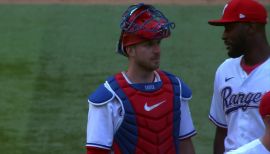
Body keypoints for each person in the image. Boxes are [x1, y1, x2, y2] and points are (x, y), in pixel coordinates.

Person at [85, 3, 196, 154]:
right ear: (130, 50)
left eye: (158, 43)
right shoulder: (109, 98)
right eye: (149, 45)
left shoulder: (176, 88)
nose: (157, 50)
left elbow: (185, 145)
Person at [207, 0, 270, 153]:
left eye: (229, 28)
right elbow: (222, 130)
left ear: (251, 27)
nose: (224, 36)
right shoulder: (224, 70)